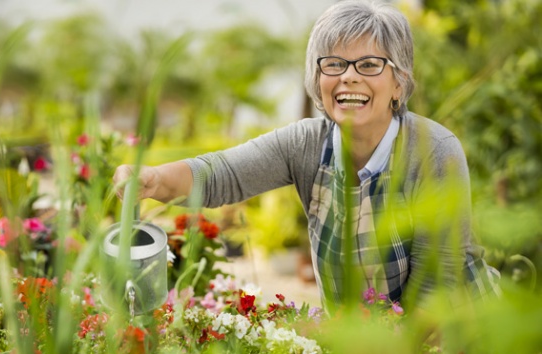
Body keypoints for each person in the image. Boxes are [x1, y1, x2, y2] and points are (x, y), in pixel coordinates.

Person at [114, 0, 500, 311]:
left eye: (369, 64)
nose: (349, 77)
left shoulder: (433, 150)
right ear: (318, 80)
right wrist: (155, 179)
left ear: (399, 82)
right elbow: (222, 174)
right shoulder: (306, 145)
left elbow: (436, 287)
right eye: (333, 64)